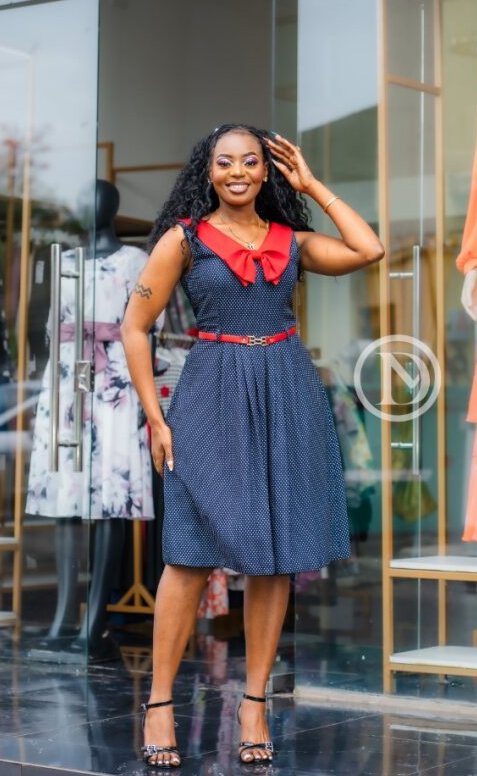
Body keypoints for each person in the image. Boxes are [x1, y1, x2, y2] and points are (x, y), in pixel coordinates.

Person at [121, 123, 385, 768]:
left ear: (267, 171)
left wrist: (312, 185)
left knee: (275, 555)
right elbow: (134, 326)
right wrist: (156, 418)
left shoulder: (290, 241)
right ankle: (159, 704)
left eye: (249, 162)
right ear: (207, 171)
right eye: (224, 162)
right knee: (189, 552)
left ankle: (255, 703)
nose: (237, 172)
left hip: (287, 391)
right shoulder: (183, 239)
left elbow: (369, 248)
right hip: (210, 393)